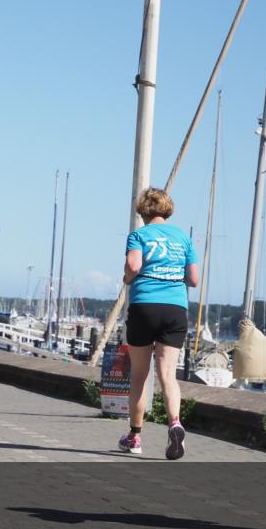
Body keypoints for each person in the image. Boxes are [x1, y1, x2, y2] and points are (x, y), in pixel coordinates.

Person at [118, 188, 199, 460]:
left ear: (142, 211)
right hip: (175, 309)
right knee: (168, 375)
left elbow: (133, 264)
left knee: (140, 375)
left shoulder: (139, 235)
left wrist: (128, 278)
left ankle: (135, 437)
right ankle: (175, 423)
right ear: (167, 209)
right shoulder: (184, 239)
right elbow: (194, 279)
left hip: (145, 306)